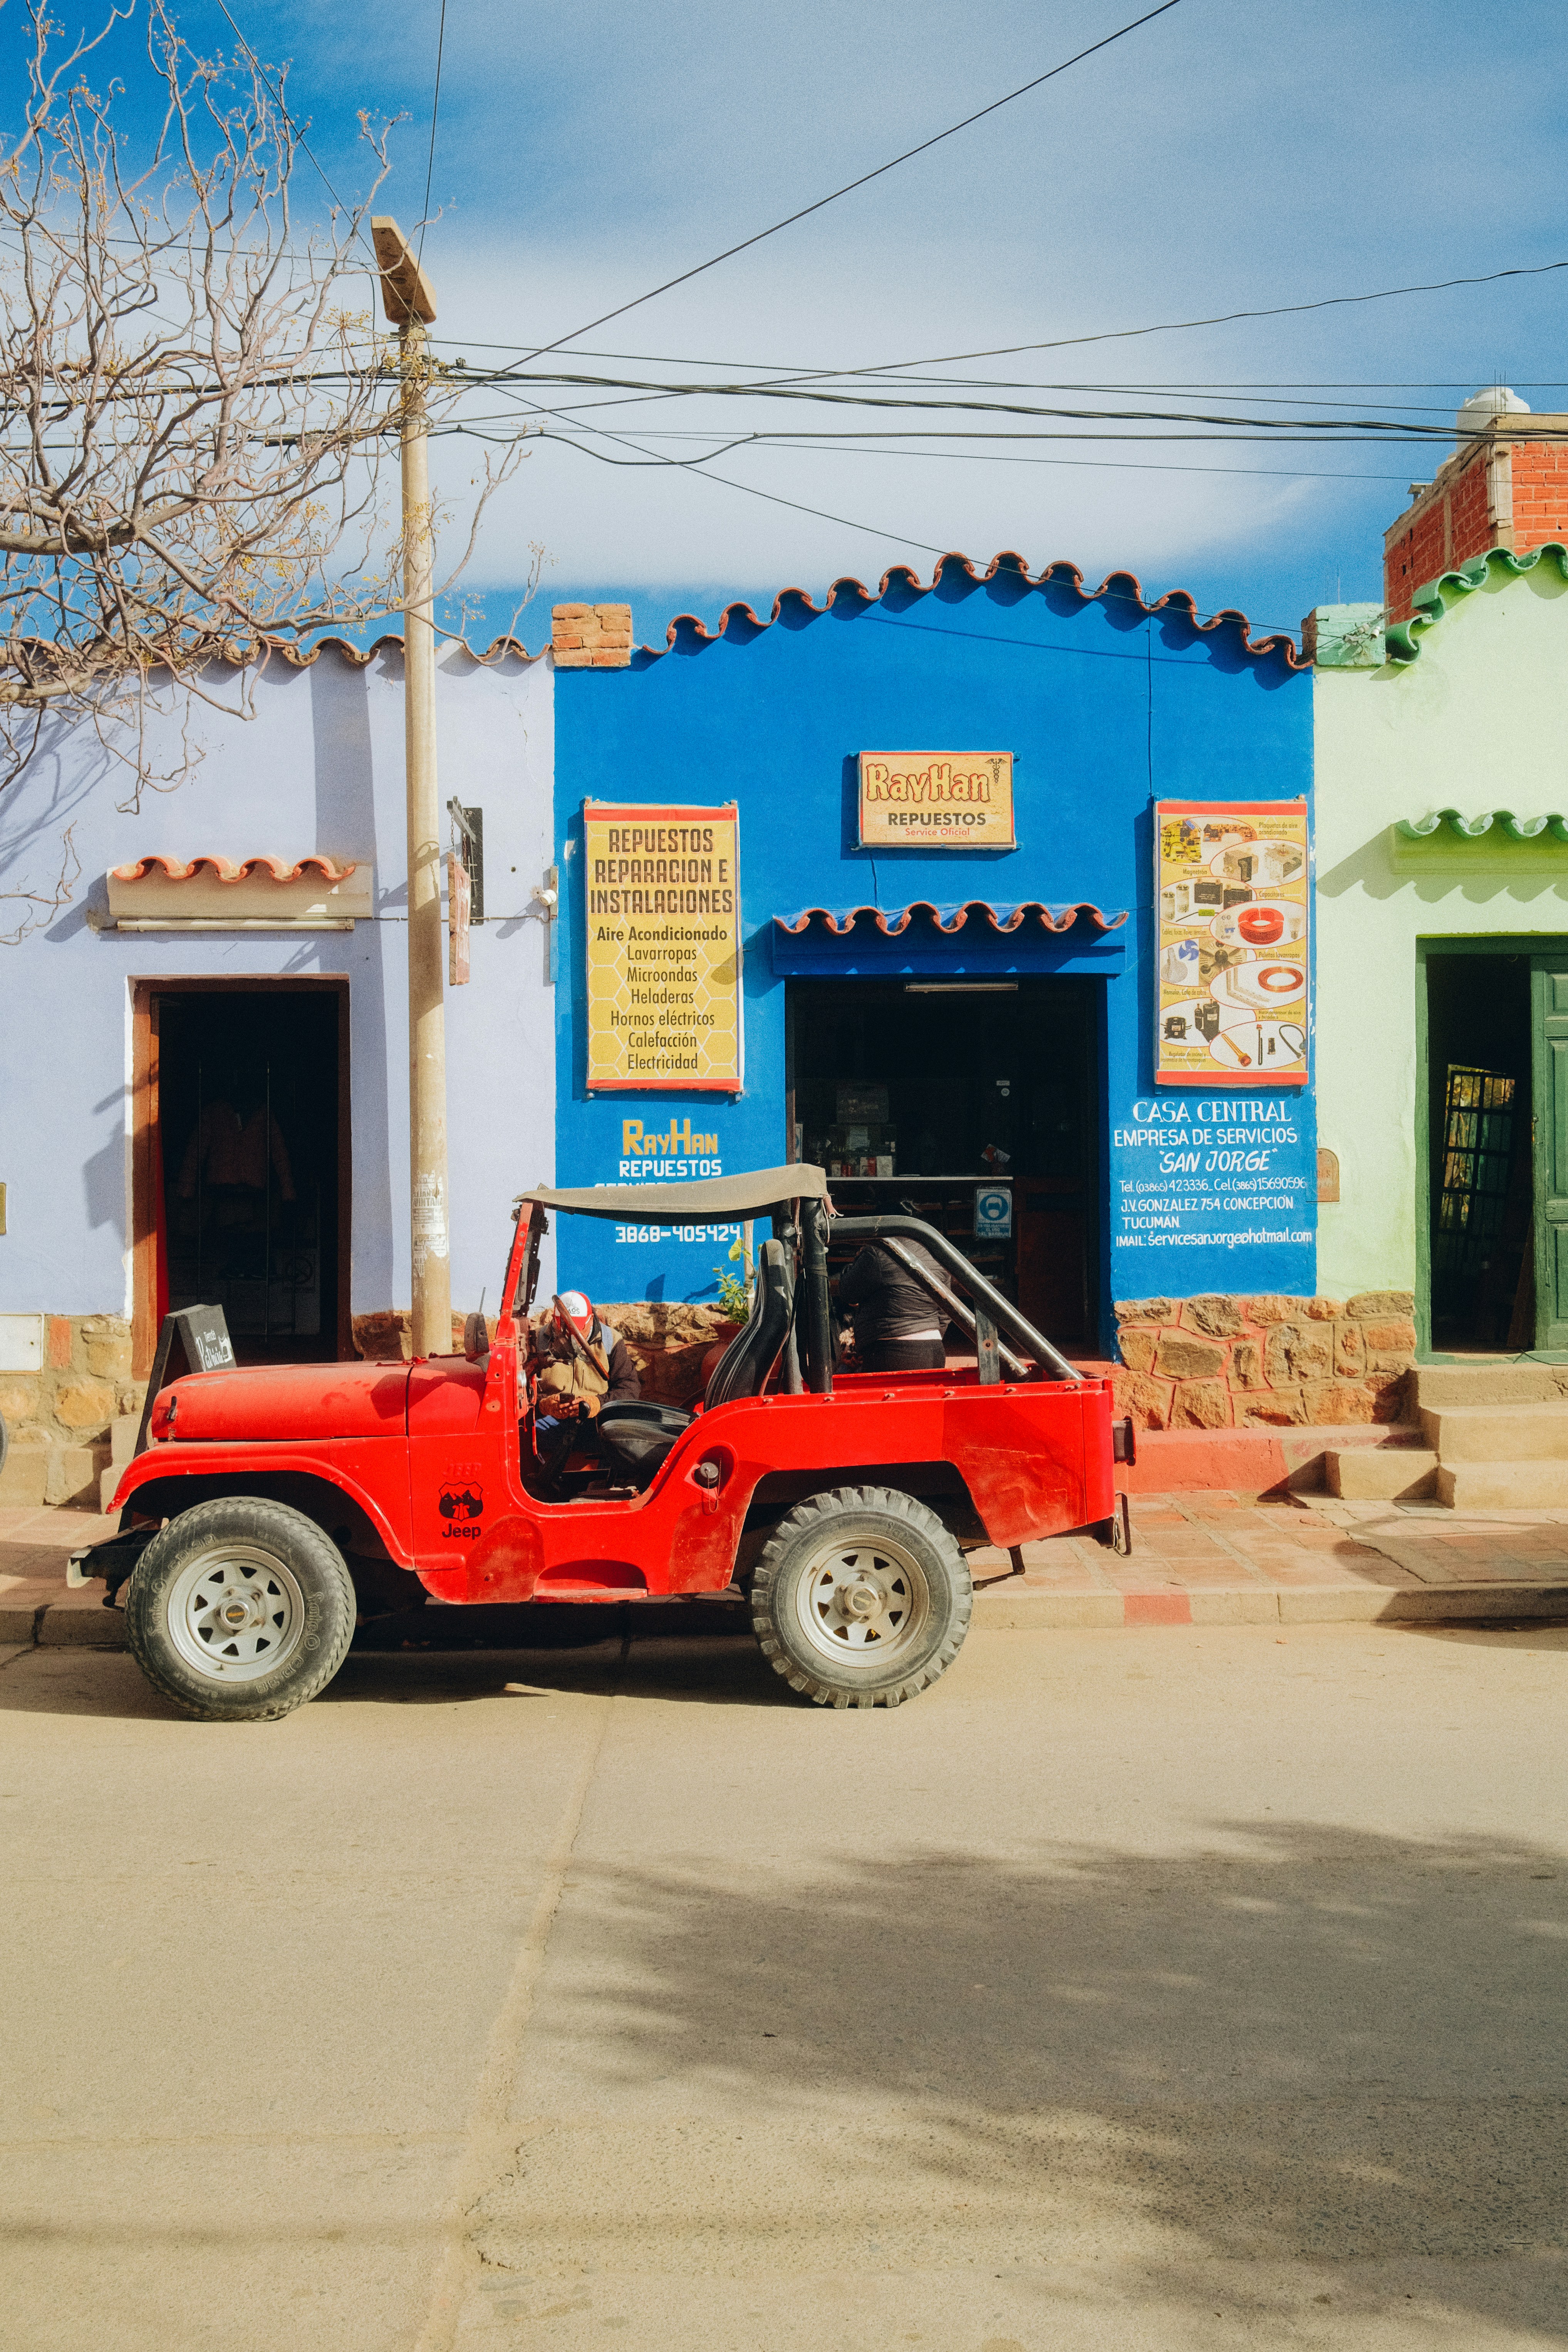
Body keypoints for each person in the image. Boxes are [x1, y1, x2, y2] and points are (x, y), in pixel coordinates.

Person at [529, 1292, 641, 1438]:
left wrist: (597, 1403)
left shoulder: (611, 1340)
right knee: (526, 1436)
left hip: (596, 1417)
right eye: (565, 1329)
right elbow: (520, 1391)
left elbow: (630, 1387)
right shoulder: (536, 1341)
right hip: (552, 1417)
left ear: (591, 1319)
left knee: (618, 1438)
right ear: (553, 1319)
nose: (572, 1336)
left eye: (578, 1329)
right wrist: (544, 1405)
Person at [835, 1236, 949, 1374]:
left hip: (891, 1351)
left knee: (841, 1373)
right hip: (934, 1349)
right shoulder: (935, 1254)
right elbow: (945, 1313)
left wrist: (856, 1262)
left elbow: (848, 1293)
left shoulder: (877, 1252)